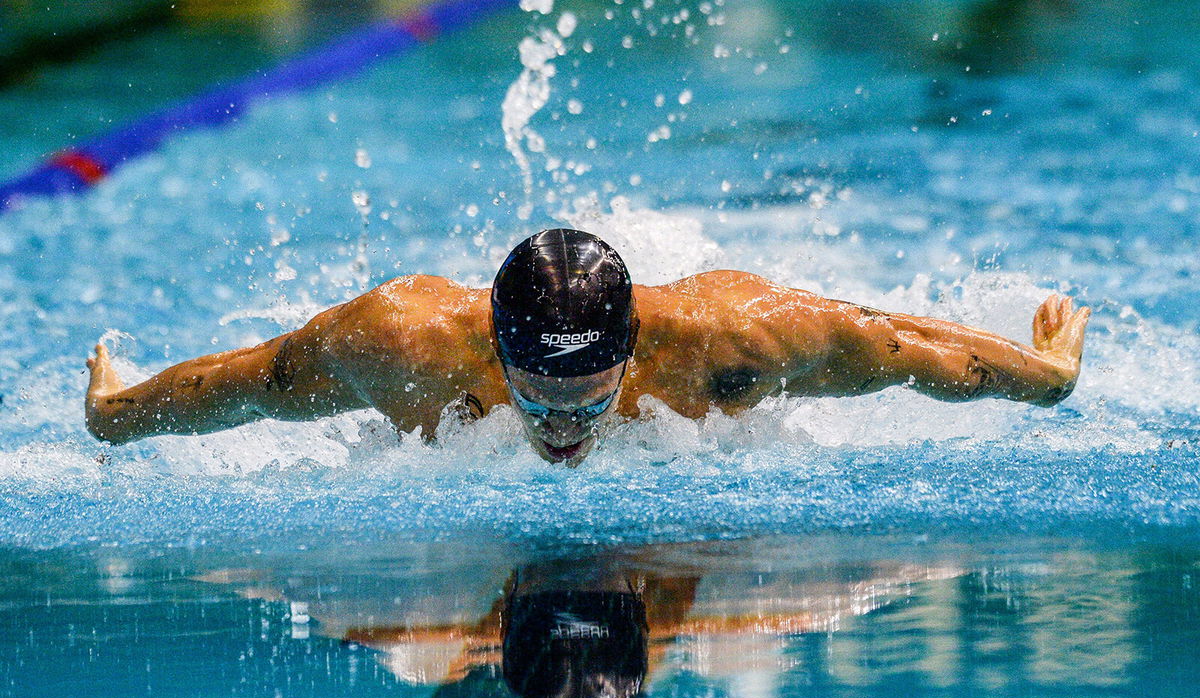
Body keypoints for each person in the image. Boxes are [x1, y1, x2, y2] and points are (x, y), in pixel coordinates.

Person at [85, 228, 1090, 465]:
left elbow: (901, 343)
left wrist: (1039, 375)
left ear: (635, 345)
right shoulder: (402, 341)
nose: (563, 425)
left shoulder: (729, 341)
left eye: (588, 397)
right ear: (492, 345)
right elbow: (258, 378)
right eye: (538, 397)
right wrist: (119, 413)